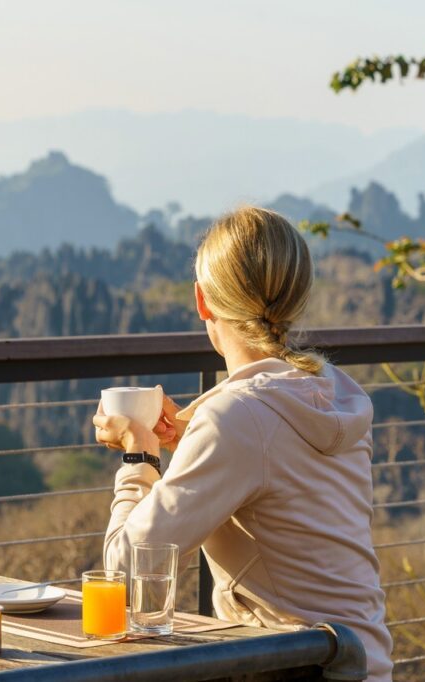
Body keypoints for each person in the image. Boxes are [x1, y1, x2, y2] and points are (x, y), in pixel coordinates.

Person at [92, 206, 393, 682]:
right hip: (362, 664)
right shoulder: (335, 391)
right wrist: (190, 433)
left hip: (297, 669)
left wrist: (139, 455)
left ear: (202, 301)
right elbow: (274, 467)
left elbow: (125, 573)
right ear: (298, 296)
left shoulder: (237, 420)